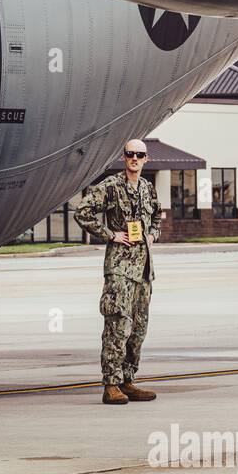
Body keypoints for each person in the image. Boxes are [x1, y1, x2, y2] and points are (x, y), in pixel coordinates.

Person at [74, 139, 162, 405]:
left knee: (138, 329)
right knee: (117, 325)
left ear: (146, 159)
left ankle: (127, 379)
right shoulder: (110, 187)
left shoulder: (148, 188)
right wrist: (110, 234)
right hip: (120, 270)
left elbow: (157, 217)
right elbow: (83, 212)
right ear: (123, 158)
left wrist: (153, 235)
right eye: (130, 154)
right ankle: (111, 384)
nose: (135, 159)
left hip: (144, 270)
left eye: (140, 155)